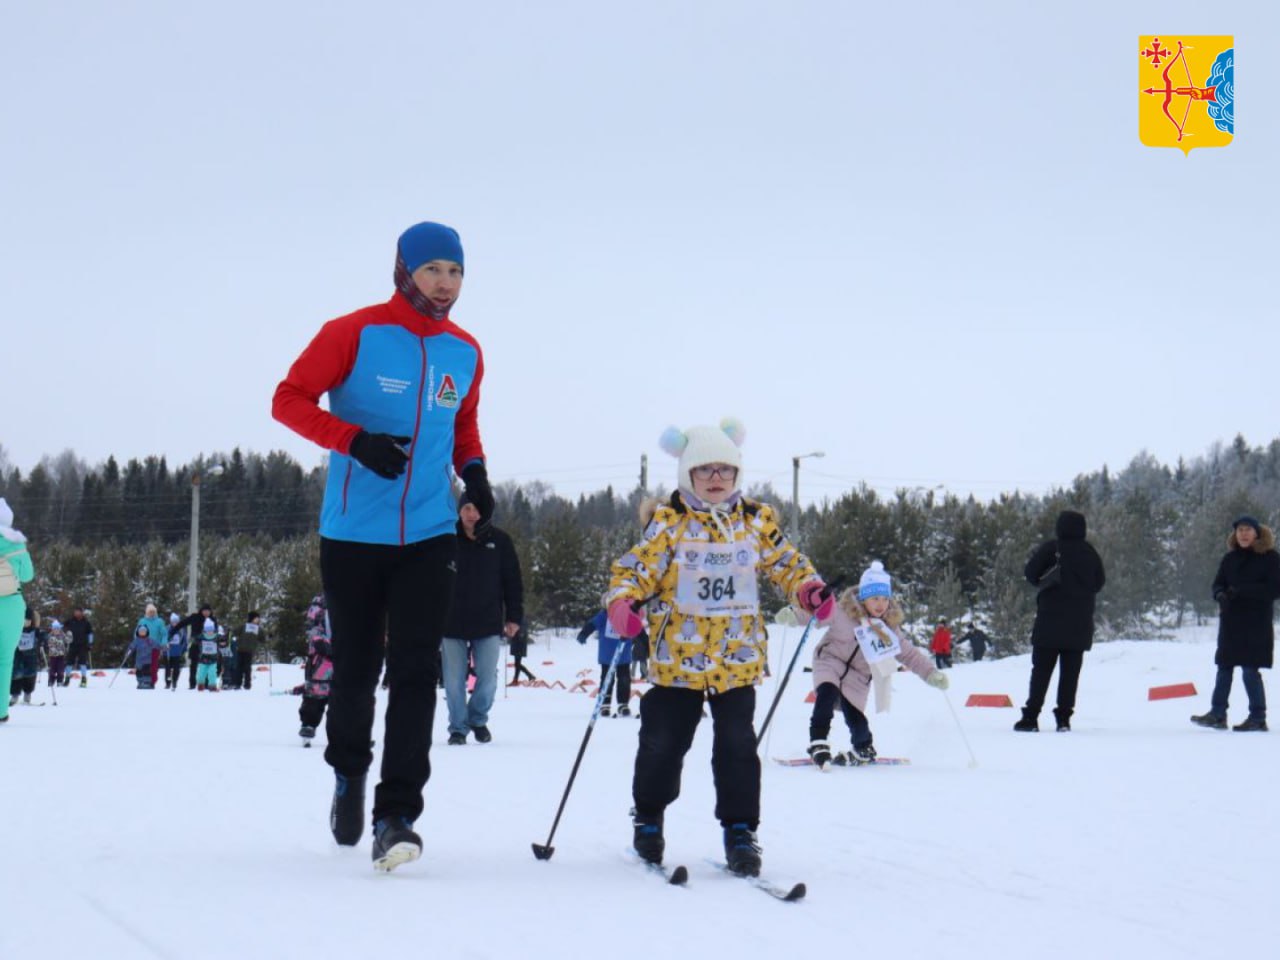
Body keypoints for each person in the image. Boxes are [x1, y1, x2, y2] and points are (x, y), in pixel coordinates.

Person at [272, 220, 492, 871]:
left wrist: (475, 476)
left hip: (429, 532)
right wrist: (354, 441)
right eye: (433, 271)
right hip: (353, 536)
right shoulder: (355, 331)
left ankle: (397, 814)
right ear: (404, 270)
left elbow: (464, 424)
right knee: (359, 666)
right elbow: (288, 399)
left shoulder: (464, 350)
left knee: (418, 669)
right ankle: (348, 772)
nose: (445, 284)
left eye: (455, 272)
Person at [605, 418, 830, 877]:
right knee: (663, 744)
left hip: (737, 657)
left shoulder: (755, 520)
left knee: (737, 746)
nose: (715, 479)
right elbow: (635, 569)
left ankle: (741, 831)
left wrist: (808, 589)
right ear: (688, 474)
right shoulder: (669, 521)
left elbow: (787, 563)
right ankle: (648, 818)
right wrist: (622, 602)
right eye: (705, 470)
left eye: (724, 471)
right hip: (677, 660)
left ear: (736, 475)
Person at [806, 562, 948, 769]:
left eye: (884, 599)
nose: (881, 604)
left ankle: (864, 747)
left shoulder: (888, 627)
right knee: (826, 694)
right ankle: (818, 742)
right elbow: (815, 614)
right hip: (830, 660)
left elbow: (908, 654)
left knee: (854, 714)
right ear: (864, 598)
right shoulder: (842, 611)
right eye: (875, 599)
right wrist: (794, 614)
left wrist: (930, 673)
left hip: (859, 674)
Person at [441, 492, 524, 744]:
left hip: (488, 620)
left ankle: (477, 719)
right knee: (453, 681)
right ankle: (458, 727)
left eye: (477, 509)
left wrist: (514, 616)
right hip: (450, 622)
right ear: (459, 511)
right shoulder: (446, 541)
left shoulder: (500, 541)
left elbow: (513, 582)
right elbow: (429, 580)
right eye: (467, 508)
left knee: (487, 678)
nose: (471, 514)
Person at [1015, 510, 1106, 733]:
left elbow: (1030, 573)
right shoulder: (1089, 552)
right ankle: (1064, 719)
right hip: (1079, 624)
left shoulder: (1051, 548)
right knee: (1070, 674)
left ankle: (1031, 717)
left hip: (1049, 620)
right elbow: (1099, 582)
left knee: (1041, 671)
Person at [1191, 515, 1280, 732]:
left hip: (1255, 623)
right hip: (1231, 622)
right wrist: (1220, 594)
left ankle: (1258, 717)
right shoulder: (1230, 558)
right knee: (1224, 667)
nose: (1243, 534)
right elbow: (1218, 583)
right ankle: (1217, 714)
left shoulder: (1269, 558)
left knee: (1250, 670)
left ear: (1257, 533)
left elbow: (1274, 589)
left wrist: (1242, 591)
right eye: (1240, 530)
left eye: (1248, 529)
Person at [0, 499, 35, 723]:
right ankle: (1, 710)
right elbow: (27, 576)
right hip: (11, 605)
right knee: (4, 660)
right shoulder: (16, 545)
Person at [576, 606, 645, 716]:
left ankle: (623, 704)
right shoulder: (605, 615)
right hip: (607, 655)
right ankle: (605, 705)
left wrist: (645, 640)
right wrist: (584, 634)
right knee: (607, 680)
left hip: (624, 655)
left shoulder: (629, 614)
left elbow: (638, 627)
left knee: (624, 680)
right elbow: (592, 624)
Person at [299, 595, 334, 742]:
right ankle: (309, 724)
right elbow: (312, 628)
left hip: (349, 658)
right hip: (322, 658)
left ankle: (353, 732)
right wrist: (324, 645)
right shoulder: (320, 602)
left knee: (350, 697)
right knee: (315, 694)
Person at [171, 604, 216, 690]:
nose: (206, 613)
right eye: (204, 611)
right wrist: (173, 630)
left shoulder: (212, 619)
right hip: (195, 644)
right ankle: (192, 683)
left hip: (208, 646)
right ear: (201, 611)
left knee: (207, 665)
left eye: (208, 611)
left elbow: (216, 631)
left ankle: (206, 683)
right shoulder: (195, 617)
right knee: (193, 665)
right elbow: (182, 623)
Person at [10, 608, 46, 707]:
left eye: (28, 620)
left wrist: (42, 639)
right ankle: (15, 695)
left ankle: (27, 694)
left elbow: (42, 636)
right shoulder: (15, 628)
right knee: (16, 674)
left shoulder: (35, 630)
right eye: (24, 620)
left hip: (31, 655)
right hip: (18, 654)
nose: (26, 622)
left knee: (29, 674)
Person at [136, 604, 168, 688]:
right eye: (150, 612)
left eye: (153, 612)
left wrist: (163, 643)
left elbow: (164, 634)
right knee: (142, 665)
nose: (152, 613)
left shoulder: (159, 621)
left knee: (153, 665)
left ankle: (152, 682)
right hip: (143, 647)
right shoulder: (142, 621)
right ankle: (141, 681)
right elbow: (137, 632)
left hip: (155, 647)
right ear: (147, 612)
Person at [64, 606, 94, 688]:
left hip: (82, 645)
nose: (76, 613)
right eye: (75, 612)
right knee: (69, 662)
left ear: (81, 613)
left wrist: (90, 643)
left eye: (78, 612)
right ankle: (67, 678)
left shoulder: (86, 622)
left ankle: (83, 679)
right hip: (72, 644)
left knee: (82, 663)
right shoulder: (70, 621)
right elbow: (62, 626)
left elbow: (90, 633)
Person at [125, 624, 159, 690]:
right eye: (141, 631)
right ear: (138, 632)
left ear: (147, 632)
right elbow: (131, 647)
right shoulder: (136, 641)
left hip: (148, 660)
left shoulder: (150, 640)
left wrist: (162, 647)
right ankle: (140, 682)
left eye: (144, 631)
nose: (142, 633)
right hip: (139, 660)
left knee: (147, 671)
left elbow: (156, 645)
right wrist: (128, 653)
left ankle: (147, 682)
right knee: (139, 672)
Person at [193, 619, 224, 691]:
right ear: (205, 630)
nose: (209, 632)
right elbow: (195, 639)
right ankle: (201, 684)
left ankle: (212, 686)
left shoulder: (216, 636)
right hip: (203, 658)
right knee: (201, 673)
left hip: (213, 659)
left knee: (212, 673)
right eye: (208, 630)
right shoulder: (201, 636)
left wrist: (223, 642)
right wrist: (195, 640)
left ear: (213, 630)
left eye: (211, 630)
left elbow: (222, 640)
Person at [236, 612, 263, 690]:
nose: (258, 620)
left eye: (258, 619)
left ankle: (247, 684)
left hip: (249, 651)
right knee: (239, 667)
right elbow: (235, 632)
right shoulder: (243, 626)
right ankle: (238, 683)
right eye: (256, 618)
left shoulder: (258, 629)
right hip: (240, 649)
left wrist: (269, 637)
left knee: (247, 668)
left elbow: (263, 638)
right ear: (252, 618)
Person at [163, 613, 186, 690]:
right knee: (168, 669)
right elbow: (163, 639)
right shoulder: (167, 629)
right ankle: (168, 682)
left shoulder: (181, 630)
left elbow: (184, 641)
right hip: (168, 653)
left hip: (177, 652)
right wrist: (165, 645)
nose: (175, 623)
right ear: (171, 622)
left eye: (176, 622)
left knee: (176, 668)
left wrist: (182, 649)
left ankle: (174, 681)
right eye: (173, 621)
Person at [46, 619, 68, 689]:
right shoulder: (50, 635)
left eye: (58, 629)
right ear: (52, 629)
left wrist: (69, 636)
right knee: (52, 669)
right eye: (55, 629)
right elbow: (47, 642)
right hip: (52, 656)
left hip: (60, 655)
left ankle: (60, 681)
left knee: (60, 669)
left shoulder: (62, 635)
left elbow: (68, 641)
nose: (56, 630)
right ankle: (51, 681)